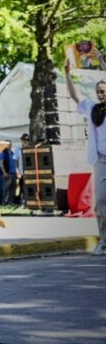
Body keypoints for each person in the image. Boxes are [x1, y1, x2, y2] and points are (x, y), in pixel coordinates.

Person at [64, 59, 106, 256]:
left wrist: (103, 65)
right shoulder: (93, 109)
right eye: (99, 91)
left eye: (104, 90)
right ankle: (104, 241)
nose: (101, 94)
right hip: (101, 160)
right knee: (100, 201)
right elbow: (74, 96)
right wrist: (67, 74)